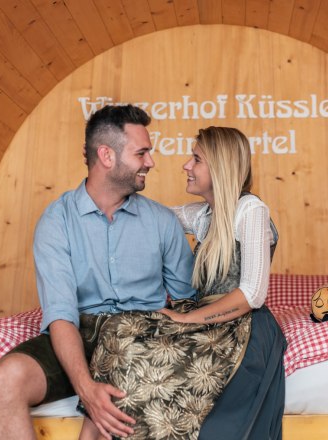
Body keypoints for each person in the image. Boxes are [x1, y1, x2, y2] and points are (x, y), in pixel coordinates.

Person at [0, 104, 197, 440]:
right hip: (77, 336)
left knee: (114, 400)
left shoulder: (162, 222)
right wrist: (86, 389)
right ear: (107, 156)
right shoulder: (57, 221)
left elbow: (188, 303)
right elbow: (61, 315)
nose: (150, 162)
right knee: (4, 378)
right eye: (141, 152)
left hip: (140, 337)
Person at [85, 126, 287, 439]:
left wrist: (185, 319)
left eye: (196, 159)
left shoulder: (250, 211)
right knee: (119, 329)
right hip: (207, 322)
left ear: (219, 168)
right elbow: (149, 215)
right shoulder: (203, 215)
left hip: (243, 327)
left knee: (146, 359)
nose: (186, 166)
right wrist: (112, 186)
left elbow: (252, 294)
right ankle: (103, 425)